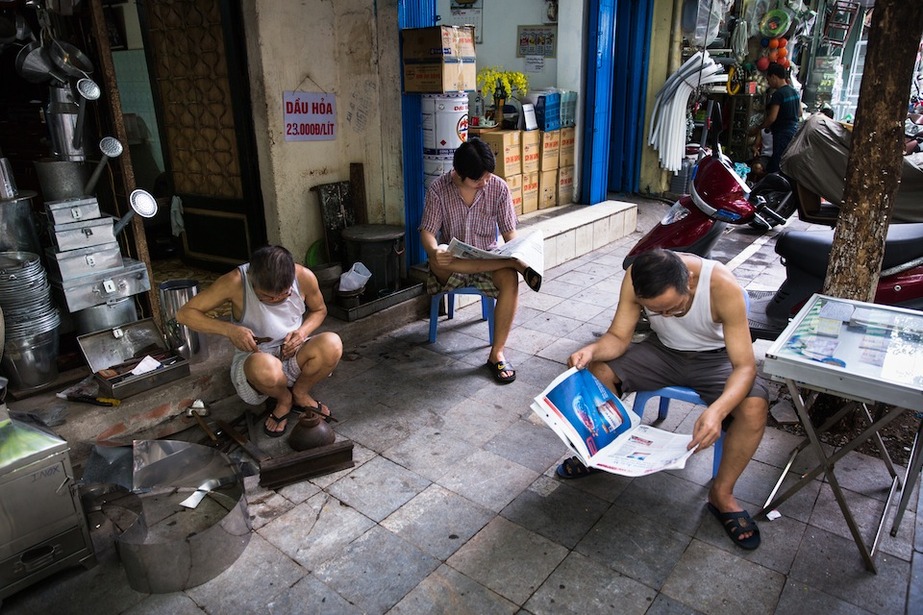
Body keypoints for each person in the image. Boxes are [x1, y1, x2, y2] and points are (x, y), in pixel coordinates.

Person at [560, 249, 769, 550]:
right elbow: (619, 337)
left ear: (690, 282)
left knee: (754, 407)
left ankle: (721, 494)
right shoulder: (637, 275)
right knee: (599, 373)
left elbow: (745, 366)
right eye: (657, 312)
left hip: (716, 359)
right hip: (662, 351)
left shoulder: (721, 285)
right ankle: (600, 453)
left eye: (673, 308)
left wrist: (718, 411)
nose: (667, 316)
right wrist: (591, 351)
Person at [177, 245, 343, 437]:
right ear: (252, 280)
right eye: (266, 297)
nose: (276, 300)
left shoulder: (304, 276)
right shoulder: (235, 281)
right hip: (256, 355)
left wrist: (301, 332)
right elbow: (184, 314)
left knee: (333, 343)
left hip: (294, 351)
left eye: (284, 295)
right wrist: (229, 330)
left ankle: (301, 393)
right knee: (264, 367)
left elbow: (319, 310)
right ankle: (284, 399)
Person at [419, 137, 540, 384]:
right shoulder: (438, 189)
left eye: (487, 176)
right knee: (438, 260)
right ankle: (514, 263)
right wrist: (434, 252)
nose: (485, 183)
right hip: (451, 267)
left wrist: (516, 250)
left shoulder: (498, 188)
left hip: (488, 259)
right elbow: (428, 232)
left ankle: (496, 354)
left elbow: (509, 234)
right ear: (459, 174)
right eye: (478, 179)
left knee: (510, 278)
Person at [757, 62, 801, 174]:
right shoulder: (794, 92)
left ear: (774, 77)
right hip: (794, 132)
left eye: (768, 80)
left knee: (777, 162)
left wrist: (758, 128)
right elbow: (800, 113)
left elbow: (772, 118)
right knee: (785, 161)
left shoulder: (778, 94)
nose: (768, 83)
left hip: (782, 133)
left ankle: (773, 187)